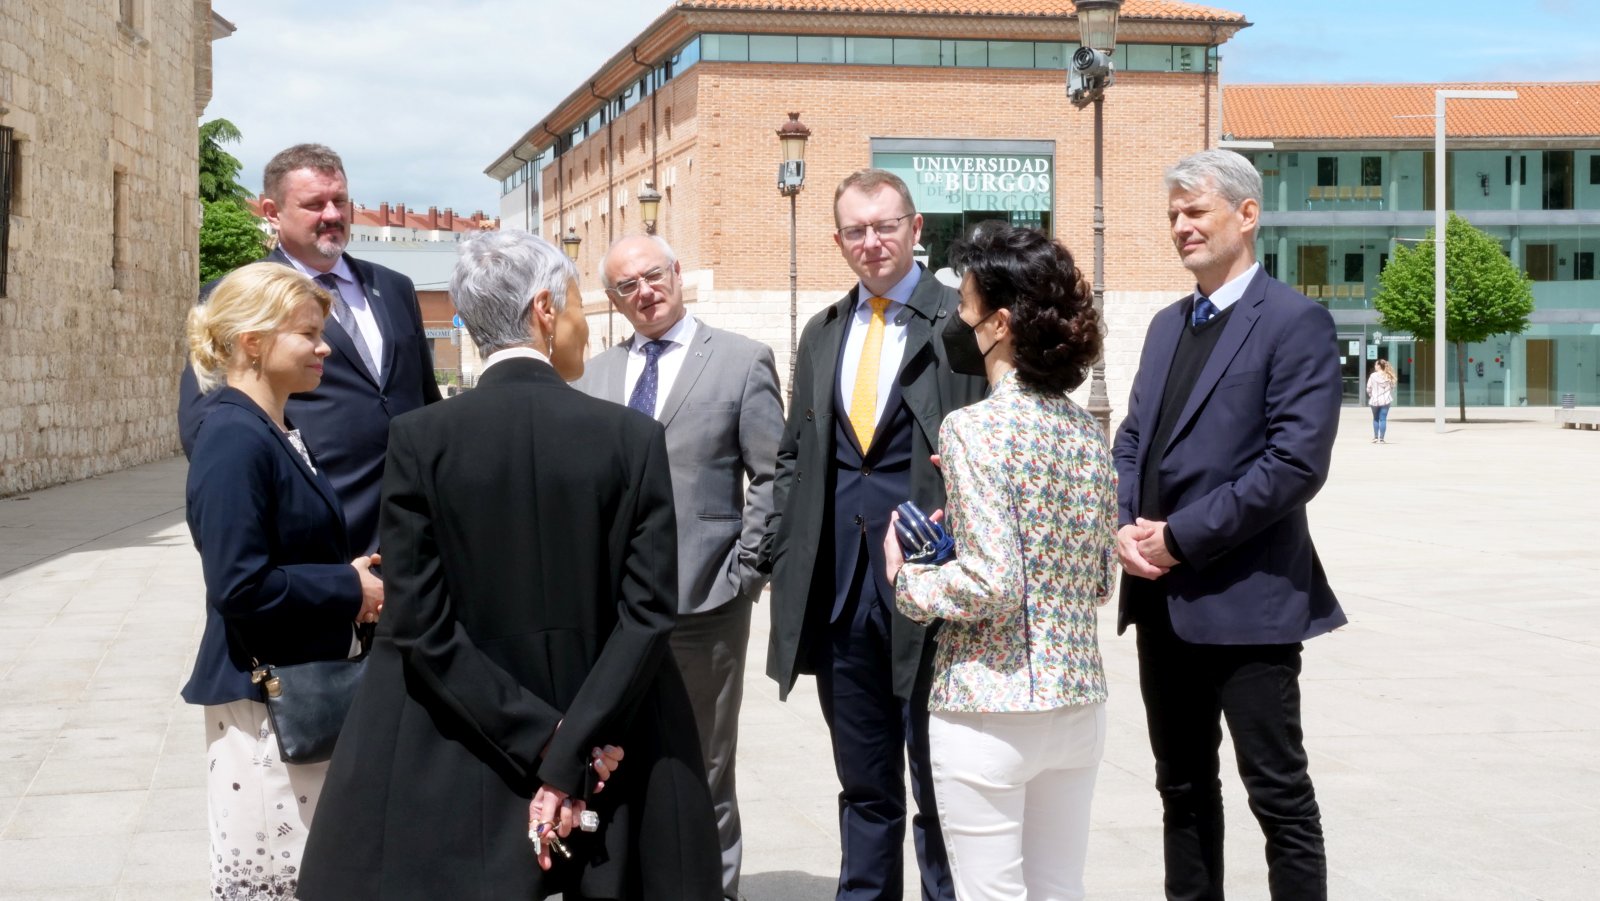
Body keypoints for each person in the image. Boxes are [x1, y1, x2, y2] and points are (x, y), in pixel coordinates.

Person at [297, 230, 720, 901]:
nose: (584, 325)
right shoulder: (632, 438)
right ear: (545, 309)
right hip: (621, 747)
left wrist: (541, 738)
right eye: (577, 304)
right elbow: (647, 615)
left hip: (460, 741)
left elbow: (421, 623)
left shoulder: (420, 439)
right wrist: (573, 746)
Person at [1113, 148, 1346, 901]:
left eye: (1196, 211)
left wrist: (1179, 537)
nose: (1181, 226)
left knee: (1277, 793)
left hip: (1248, 605)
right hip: (1161, 602)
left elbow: (1294, 464)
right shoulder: (1164, 326)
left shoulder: (1295, 322)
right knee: (1180, 785)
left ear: (1247, 215)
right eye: (1173, 215)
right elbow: (1132, 439)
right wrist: (1123, 525)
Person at [763, 168, 985, 901]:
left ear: (916, 229)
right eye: (855, 231)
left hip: (935, 589)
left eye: (886, 225)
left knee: (941, 784)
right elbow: (796, 455)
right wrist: (785, 550)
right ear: (838, 241)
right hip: (840, 591)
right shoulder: (822, 332)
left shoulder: (963, 324)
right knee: (863, 784)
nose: (872, 242)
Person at [885, 223, 1116, 900]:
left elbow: (993, 581)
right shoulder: (1085, 430)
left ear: (1001, 324)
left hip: (988, 701)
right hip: (1075, 699)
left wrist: (911, 578)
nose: (958, 319)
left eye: (966, 306)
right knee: (1059, 889)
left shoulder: (972, 427)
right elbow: (1098, 579)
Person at [573, 233, 783, 901]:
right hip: (613, 611)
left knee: (705, 763)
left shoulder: (742, 360)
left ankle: (715, 888)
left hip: (707, 602)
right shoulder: (594, 377)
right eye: (627, 286)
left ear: (678, 273)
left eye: (654, 275)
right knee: (616, 760)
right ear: (612, 300)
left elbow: (773, 474)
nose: (645, 292)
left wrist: (746, 570)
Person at [179, 262, 384, 900]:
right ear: (254, 342)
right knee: (275, 880)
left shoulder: (277, 428)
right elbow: (239, 585)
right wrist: (348, 588)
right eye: (308, 334)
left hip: (297, 690)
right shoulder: (233, 436)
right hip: (264, 703)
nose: (325, 348)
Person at [179, 143, 442, 555]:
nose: (333, 215)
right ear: (272, 212)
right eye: (315, 204)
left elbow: (424, 398)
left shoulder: (394, 288)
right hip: (315, 536)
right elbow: (205, 424)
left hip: (414, 532)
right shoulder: (236, 297)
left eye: (340, 201)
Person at [1367, 358, 1396, 443]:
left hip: (1374, 400)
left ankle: (1376, 437)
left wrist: (1371, 395)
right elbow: (1392, 387)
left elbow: (1369, 388)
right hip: (1386, 400)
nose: (1375, 366)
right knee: (1383, 419)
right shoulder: (1389, 375)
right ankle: (1382, 439)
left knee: (1375, 419)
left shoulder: (1373, 376)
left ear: (1379, 366)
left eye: (1376, 364)